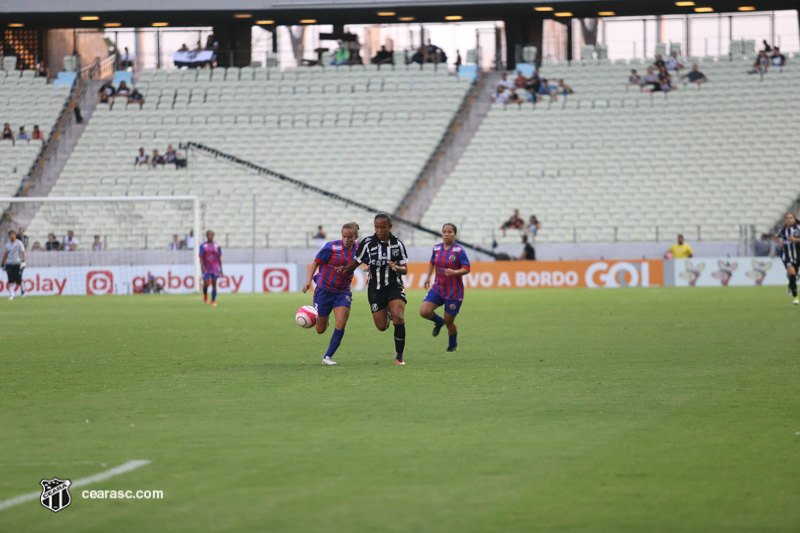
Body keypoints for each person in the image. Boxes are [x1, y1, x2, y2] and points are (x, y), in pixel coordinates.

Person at [338, 213, 410, 365]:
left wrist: (396, 267)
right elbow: (357, 261)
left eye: (383, 227)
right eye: (376, 227)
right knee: (381, 326)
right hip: (375, 289)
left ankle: (399, 356)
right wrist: (345, 269)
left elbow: (405, 270)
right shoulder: (368, 243)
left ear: (390, 227)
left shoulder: (397, 245)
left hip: (394, 285)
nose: (379, 230)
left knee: (399, 317)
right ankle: (388, 313)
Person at [302, 222, 360, 365]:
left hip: (342, 292)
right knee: (320, 330)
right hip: (323, 291)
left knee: (341, 323)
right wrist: (308, 281)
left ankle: (327, 357)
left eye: (350, 237)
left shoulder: (359, 249)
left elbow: (367, 260)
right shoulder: (331, 247)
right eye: (344, 236)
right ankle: (324, 316)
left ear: (356, 237)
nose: (346, 239)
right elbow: (315, 262)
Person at [420, 223, 471, 353]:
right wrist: (427, 277)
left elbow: (467, 268)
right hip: (438, 287)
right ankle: (438, 321)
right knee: (424, 312)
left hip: (453, 292)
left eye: (449, 232)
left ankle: (452, 345)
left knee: (450, 322)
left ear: (455, 234)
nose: (446, 234)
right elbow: (432, 262)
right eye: (444, 232)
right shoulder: (436, 248)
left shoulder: (459, 251)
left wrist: (454, 272)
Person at [775, 213, 800, 305]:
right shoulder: (782, 230)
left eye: (790, 218)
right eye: (787, 218)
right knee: (792, 273)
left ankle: (790, 284)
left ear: (794, 219)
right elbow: (776, 237)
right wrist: (779, 243)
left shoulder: (798, 229)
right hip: (786, 256)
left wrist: (795, 239)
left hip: (797, 256)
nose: (788, 220)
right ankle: (795, 297)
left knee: (794, 274)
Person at [199, 230, 222, 306]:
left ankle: (213, 301)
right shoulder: (203, 246)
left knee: (214, 284)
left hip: (215, 267)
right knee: (206, 283)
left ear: (213, 236)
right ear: (206, 236)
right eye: (208, 235)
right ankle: (205, 295)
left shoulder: (217, 246)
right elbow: (201, 257)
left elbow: (219, 258)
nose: (210, 236)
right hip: (206, 267)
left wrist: (221, 268)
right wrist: (202, 266)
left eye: (211, 235)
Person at [2, 230, 26, 300]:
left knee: (18, 279)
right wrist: (2, 263)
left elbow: (23, 252)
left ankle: (22, 289)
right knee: (10, 279)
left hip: (17, 263)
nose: (11, 236)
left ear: (15, 235)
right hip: (9, 263)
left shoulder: (19, 243)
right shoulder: (8, 245)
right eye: (10, 235)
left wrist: (23, 261)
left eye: (12, 234)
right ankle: (12, 294)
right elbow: (5, 254)